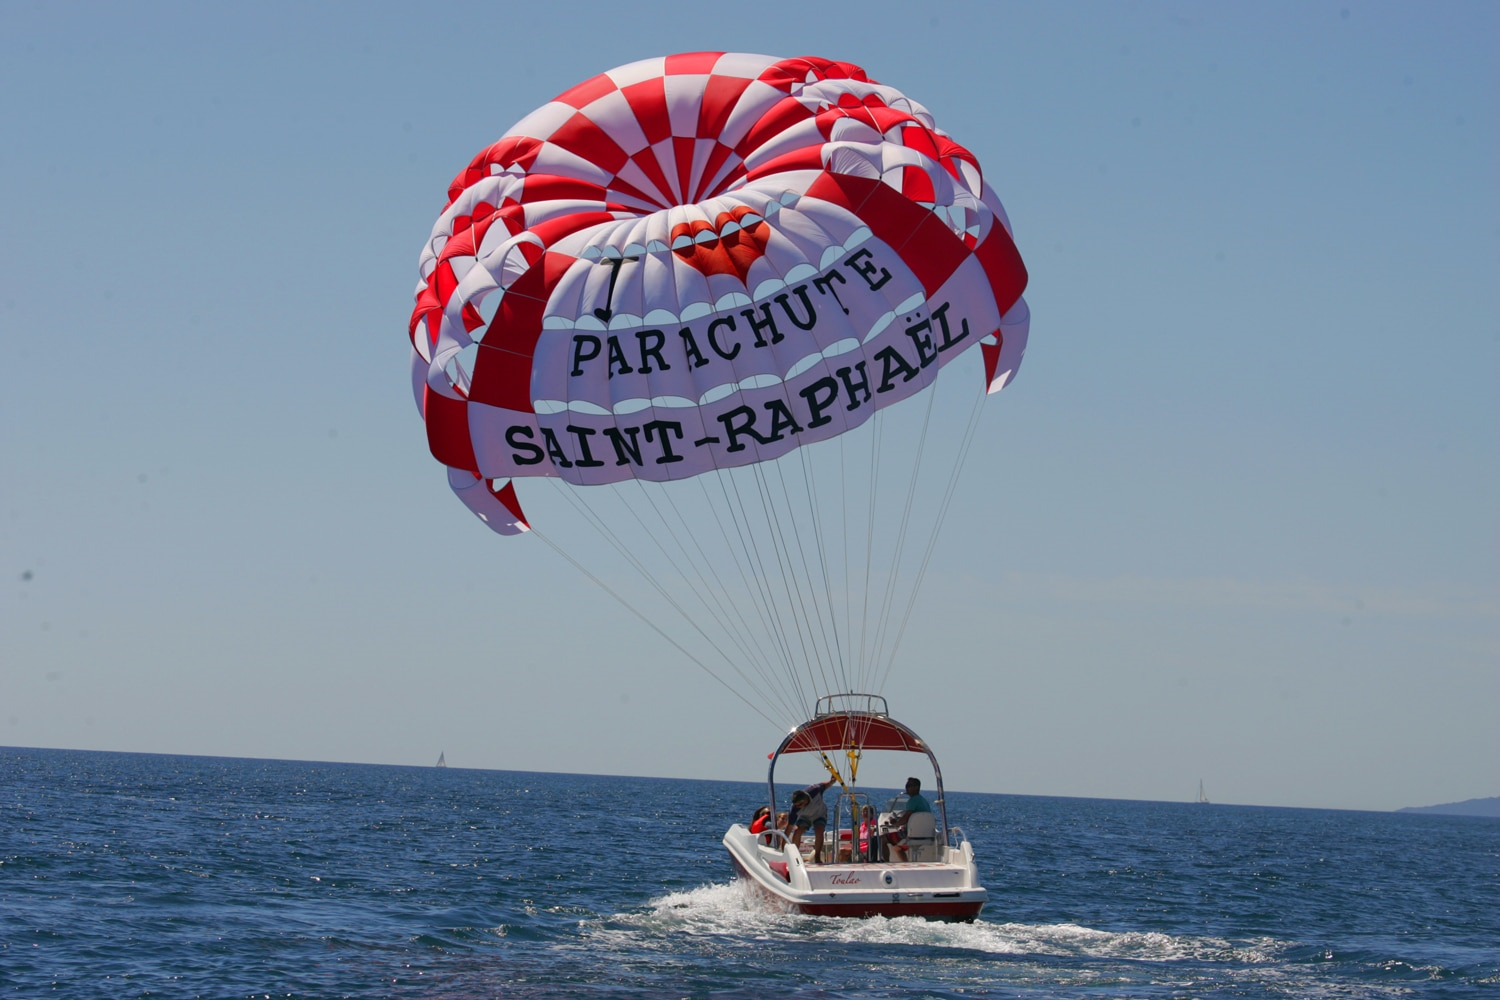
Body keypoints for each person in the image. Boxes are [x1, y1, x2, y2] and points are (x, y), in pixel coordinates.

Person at [786, 778, 837, 863]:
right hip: (805, 816)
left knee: (819, 830)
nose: (798, 807)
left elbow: (825, 785)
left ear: (806, 799)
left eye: (800, 804)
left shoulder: (815, 790)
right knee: (798, 831)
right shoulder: (794, 809)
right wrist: (782, 846)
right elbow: (788, 829)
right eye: (796, 805)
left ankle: (817, 857)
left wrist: (831, 781)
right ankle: (795, 857)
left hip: (819, 813)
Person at [886, 777, 933, 862]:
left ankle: (884, 864)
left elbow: (905, 819)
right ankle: (905, 863)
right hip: (926, 835)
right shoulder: (923, 801)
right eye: (906, 786)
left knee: (884, 837)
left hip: (911, 835)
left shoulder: (912, 801)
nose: (907, 788)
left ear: (917, 787)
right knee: (897, 847)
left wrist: (894, 824)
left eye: (909, 786)